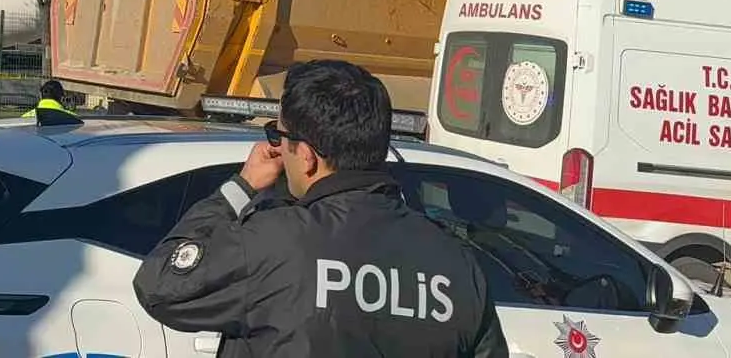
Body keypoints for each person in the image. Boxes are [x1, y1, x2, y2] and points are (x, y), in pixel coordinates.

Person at [133, 60, 508, 358]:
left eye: (278, 136)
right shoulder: (457, 265)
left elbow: (160, 285)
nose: (278, 148)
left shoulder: (276, 243)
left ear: (308, 157)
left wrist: (240, 187)